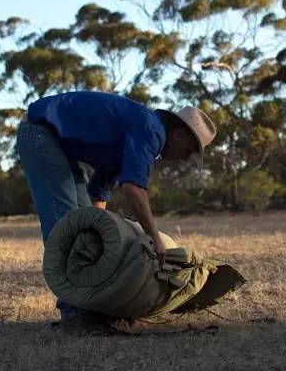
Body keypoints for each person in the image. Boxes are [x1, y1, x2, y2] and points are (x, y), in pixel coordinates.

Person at [15, 90, 217, 324]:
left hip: (56, 144)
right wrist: (154, 238)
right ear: (181, 134)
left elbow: (98, 195)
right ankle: (74, 312)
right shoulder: (150, 130)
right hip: (40, 132)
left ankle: (89, 302)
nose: (185, 157)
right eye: (190, 150)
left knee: (81, 223)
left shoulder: (139, 135)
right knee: (65, 226)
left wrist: (96, 235)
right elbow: (133, 189)